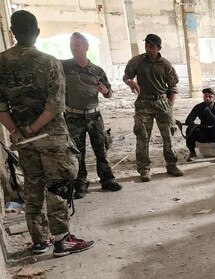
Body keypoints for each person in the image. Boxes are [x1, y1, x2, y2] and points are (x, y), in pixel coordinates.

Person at [0, 10, 95, 256]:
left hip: (23, 138)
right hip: (50, 136)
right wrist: (33, 129)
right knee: (57, 186)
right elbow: (55, 106)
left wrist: (17, 131)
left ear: (12, 32)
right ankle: (62, 240)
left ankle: (39, 241)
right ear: (37, 32)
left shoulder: (1, 62)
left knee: (33, 186)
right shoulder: (49, 62)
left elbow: (0, 106)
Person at [62, 32, 122, 199]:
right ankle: (80, 184)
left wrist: (106, 91)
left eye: (77, 46)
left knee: (101, 148)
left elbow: (109, 93)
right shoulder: (63, 67)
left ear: (86, 48)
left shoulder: (97, 70)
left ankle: (107, 179)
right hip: (73, 116)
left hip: (94, 116)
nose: (73, 49)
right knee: (77, 151)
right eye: (72, 45)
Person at [123, 33, 183, 182]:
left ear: (159, 48)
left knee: (168, 135)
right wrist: (131, 82)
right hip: (143, 102)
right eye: (146, 46)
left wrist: (170, 106)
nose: (148, 49)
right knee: (142, 135)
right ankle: (144, 168)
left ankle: (171, 164)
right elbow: (126, 76)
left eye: (151, 46)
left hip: (162, 102)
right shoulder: (137, 61)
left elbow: (173, 87)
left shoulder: (166, 65)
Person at [184, 88, 215, 162]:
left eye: (210, 97)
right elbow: (188, 120)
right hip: (203, 132)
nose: (207, 98)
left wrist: (207, 110)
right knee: (190, 129)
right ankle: (192, 152)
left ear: (214, 98)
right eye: (205, 96)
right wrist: (195, 126)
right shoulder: (199, 107)